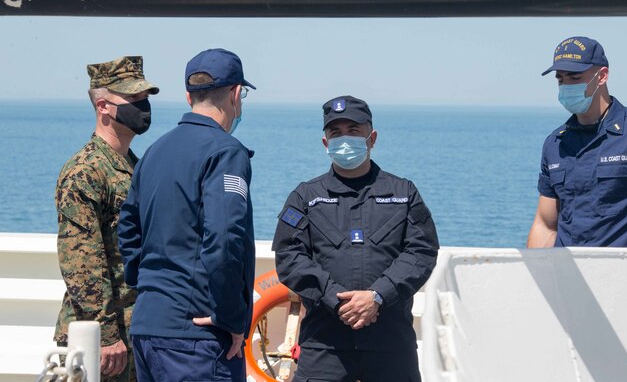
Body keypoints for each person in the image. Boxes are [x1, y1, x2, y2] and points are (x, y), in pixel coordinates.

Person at [273, 95, 439, 382]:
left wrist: (377, 296)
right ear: (326, 143)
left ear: (371, 138)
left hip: (391, 347)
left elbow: (422, 251)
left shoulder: (404, 193)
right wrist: (337, 300)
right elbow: (289, 256)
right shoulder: (305, 197)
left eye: (353, 130)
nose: (344, 139)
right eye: (335, 133)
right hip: (325, 348)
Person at [118, 48, 256, 382]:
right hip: (197, 336)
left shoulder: (154, 152)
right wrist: (230, 316)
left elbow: (128, 230)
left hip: (149, 325)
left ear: (188, 96)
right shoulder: (225, 152)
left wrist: (154, 290)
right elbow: (223, 239)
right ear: (237, 94)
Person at [528, 36, 627, 248]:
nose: (566, 85)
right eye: (560, 79)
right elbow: (545, 225)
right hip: (567, 276)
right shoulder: (555, 144)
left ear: (602, 76)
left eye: (574, 77)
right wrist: (532, 278)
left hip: (626, 275)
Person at [55, 56, 159, 382]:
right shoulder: (85, 171)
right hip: (101, 338)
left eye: (144, 98)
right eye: (132, 99)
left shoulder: (135, 166)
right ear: (103, 106)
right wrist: (105, 333)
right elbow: (81, 258)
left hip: (133, 328)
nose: (142, 106)